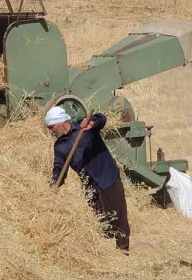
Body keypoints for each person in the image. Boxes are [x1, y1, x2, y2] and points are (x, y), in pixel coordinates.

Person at [45, 106, 130, 251]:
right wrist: (55, 181)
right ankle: (108, 252)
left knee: (118, 216)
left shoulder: (83, 128)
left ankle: (123, 250)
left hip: (107, 176)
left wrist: (92, 122)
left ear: (61, 122)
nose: (51, 130)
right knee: (101, 222)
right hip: (90, 186)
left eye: (52, 127)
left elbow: (102, 118)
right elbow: (59, 167)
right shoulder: (60, 146)